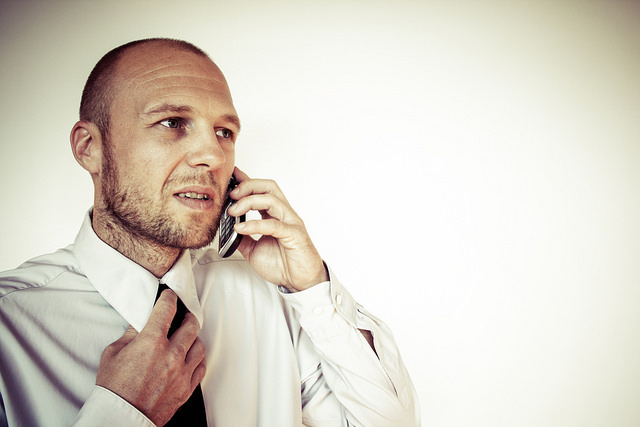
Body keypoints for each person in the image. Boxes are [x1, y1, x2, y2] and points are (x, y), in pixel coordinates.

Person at [0, 38, 419, 426]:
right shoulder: (10, 327)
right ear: (89, 148)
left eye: (224, 133)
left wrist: (311, 287)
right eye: (172, 122)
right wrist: (124, 413)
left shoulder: (267, 298)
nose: (212, 156)